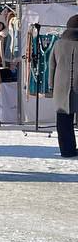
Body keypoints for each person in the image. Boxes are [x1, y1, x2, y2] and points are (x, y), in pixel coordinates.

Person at [49, 14, 78, 158]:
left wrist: (51, 85)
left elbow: (51, 66)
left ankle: (67, 150)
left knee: (63, 121)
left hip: (61, 87)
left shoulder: (58, 44)